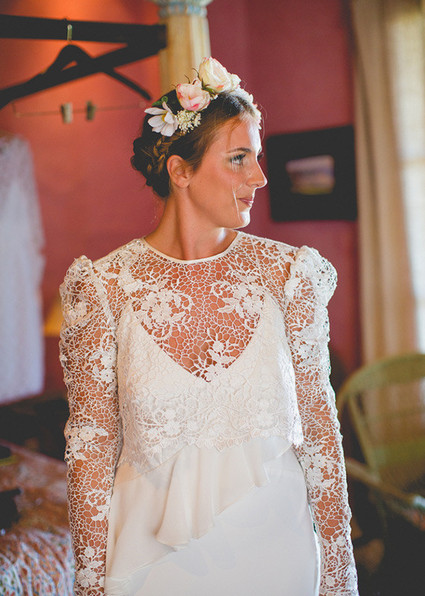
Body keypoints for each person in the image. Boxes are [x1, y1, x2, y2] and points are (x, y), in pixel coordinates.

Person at [60, 57, 358, 596]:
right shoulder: (103, 290)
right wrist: (90, 584)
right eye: (239, 158)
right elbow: (90, 455)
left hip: (280, 557)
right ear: (180, 171)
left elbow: (320, 434)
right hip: (153, 569)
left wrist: (338, 576)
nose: (259, 177)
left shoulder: (289, 276)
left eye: (257, 158)